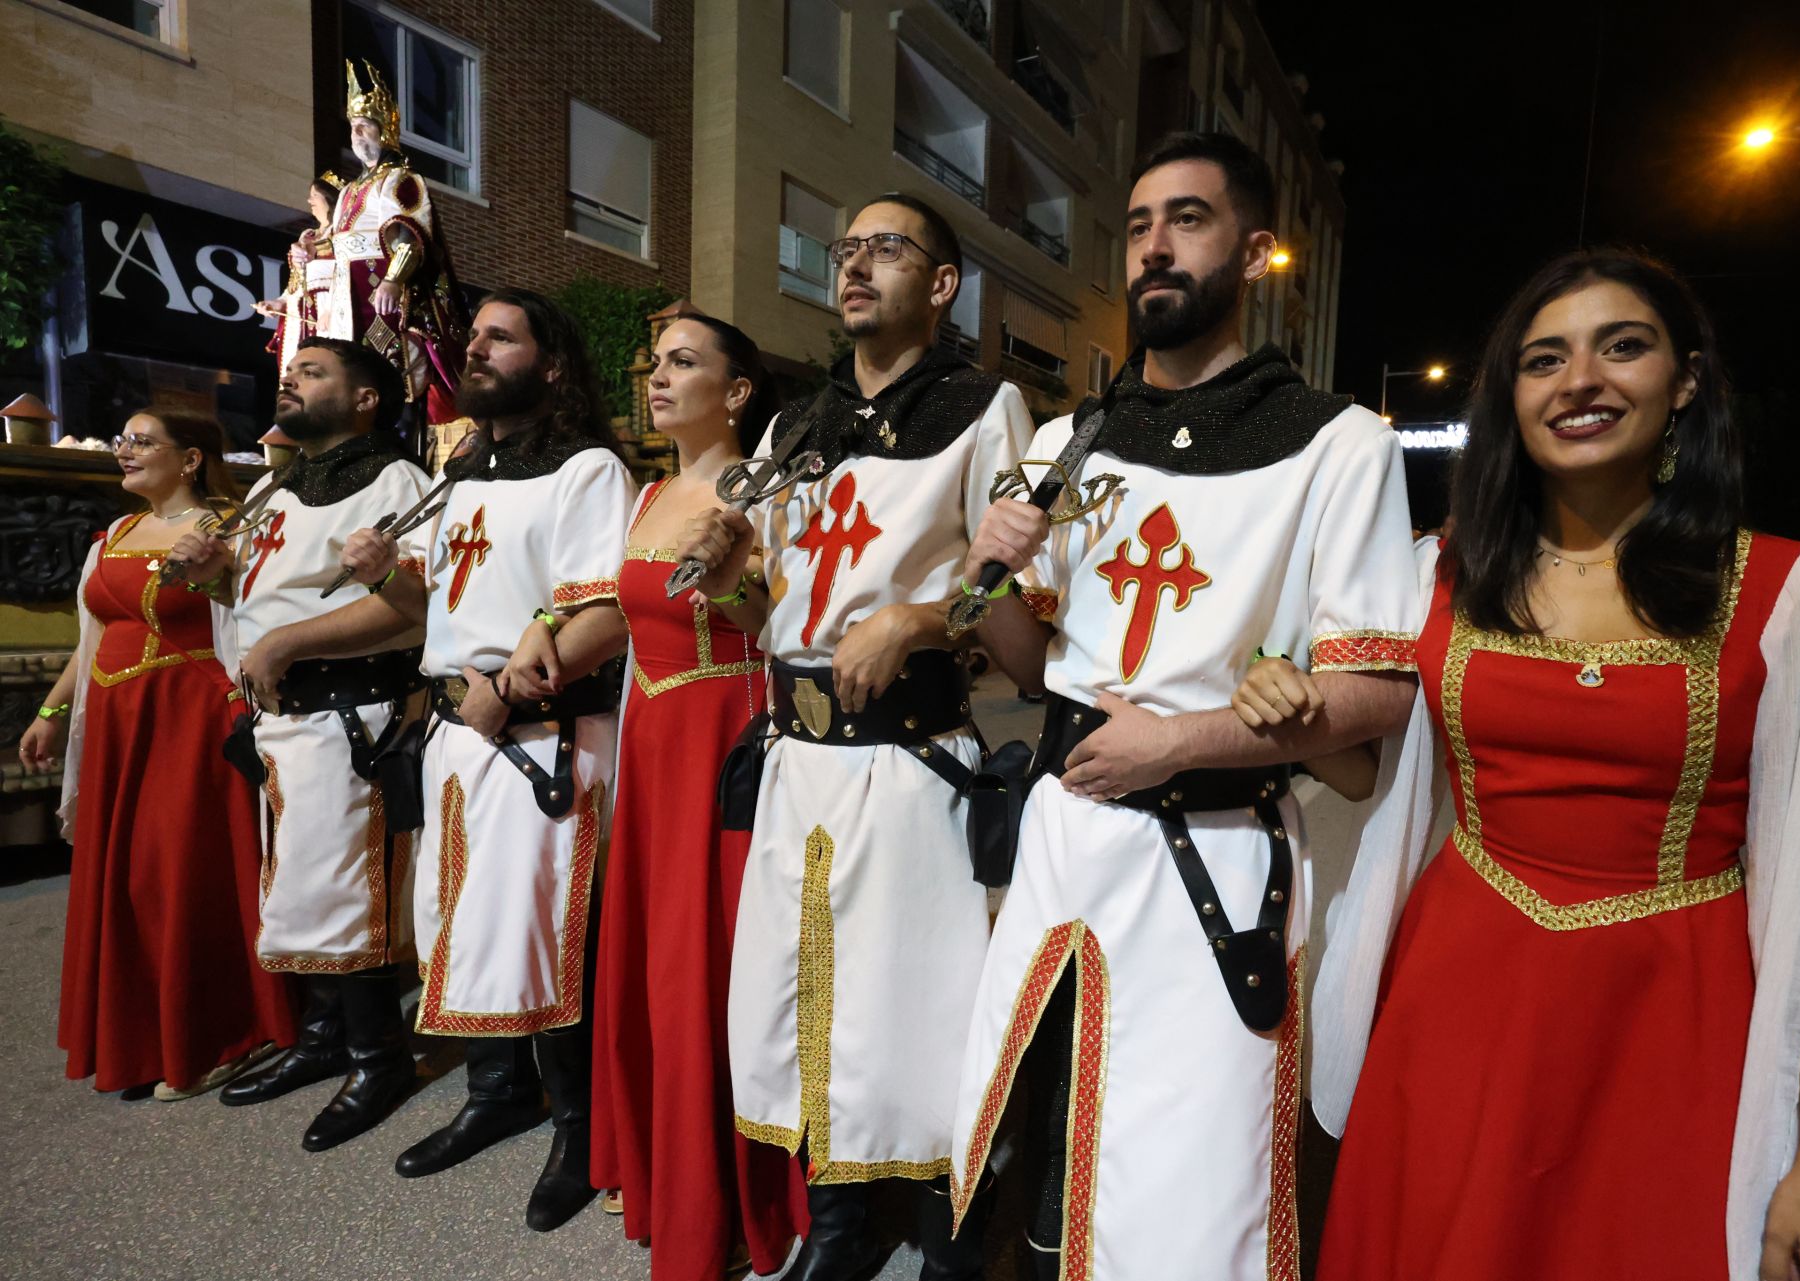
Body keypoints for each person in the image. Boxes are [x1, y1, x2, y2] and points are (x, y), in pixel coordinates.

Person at [1306, 248, 1800, 1281]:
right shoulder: (1439, 575)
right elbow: (1369, 779)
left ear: (1686, 380)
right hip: (1454, 994)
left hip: (1669, 1015)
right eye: (1544, 360)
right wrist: (1277, 698)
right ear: (1512, 397)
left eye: (1622, 347)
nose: (1580, 380)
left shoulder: (1793, 592)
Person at [950, 131, 1422, 1281]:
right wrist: (986, 576)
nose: (1155, 246)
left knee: (1186, 1173)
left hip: (1210, 845)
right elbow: (1030, 667)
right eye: (1139, 225)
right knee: (1045, 1113)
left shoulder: (1338, 444)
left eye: (1189, 219)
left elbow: (1377, 693)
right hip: (1065, 837)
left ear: (1256, 253)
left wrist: (1181, 741)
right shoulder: (1070, 440)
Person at [677, 193, 1035, 1281]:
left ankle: (949, 1237)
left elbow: (1011, 588)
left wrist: (919, 619)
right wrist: (731, 578)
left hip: (908, 758)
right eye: (847, 249)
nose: (856, 265)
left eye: (888, 248)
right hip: (797, 760)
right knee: (803, 996)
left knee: (915, 1010)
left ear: (941, 284)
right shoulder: (797, 426)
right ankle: (837, 1228)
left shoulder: (984, 407)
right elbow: (773, 611)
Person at [505, 313, 808, 1278]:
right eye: (655, 363)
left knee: (711, 968)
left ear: (738, 390)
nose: (658, 377)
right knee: (657, 962)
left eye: (684, 362)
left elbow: (786, 625)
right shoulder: (647, 495)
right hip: (652, 745)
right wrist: (545, 632)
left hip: (726, 739)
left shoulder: (767, 489)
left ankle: (725, 1195)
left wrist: (730, 584)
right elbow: (621, 612)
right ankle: (663, 1165)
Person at [336, 287, 637, 1231]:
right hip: (459, 736)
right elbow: (437, 609)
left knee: (546, 933)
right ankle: (498, 1093)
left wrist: (507, 690)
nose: (474, 349)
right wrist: (384, 575)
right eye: (472, 336)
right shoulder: (465, 470)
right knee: (461, 921)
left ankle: (581, 1130)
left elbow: (604, 613)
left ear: (552, 364)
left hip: (540, 739)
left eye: (500, 338)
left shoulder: (587, 468)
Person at [167, 338, 430, 1152]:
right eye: (293, 371)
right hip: (284, 720)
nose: (292, 380)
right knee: (299, 888)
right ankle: (323, 1039)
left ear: (365, 399)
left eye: (313, 373)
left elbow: (410, 608)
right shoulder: (276, 484)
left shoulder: (397, 482)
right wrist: (213, 574)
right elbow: (261, 596)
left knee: (346, 891)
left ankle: (378, 1056)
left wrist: (287, 644)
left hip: (351, 712)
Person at [19, 411, 296, 1099]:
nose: (126, 451)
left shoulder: (226, 528)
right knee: (128, 879)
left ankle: (222, 1032)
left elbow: (253, 619)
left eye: (143, 441)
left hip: (189, 720)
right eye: (123, 440)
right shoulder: (115, 533)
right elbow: (93, 636)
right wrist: (51, 711)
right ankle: (141, 1036)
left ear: (191, 458)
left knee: (182, 873)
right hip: (118, 727)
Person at [326, 60, 467, 434]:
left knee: (392, 378)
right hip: (346, 302)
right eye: (353, 127)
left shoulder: (400, 179)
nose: (357, 134)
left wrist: (393, 280)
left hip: (381, 297)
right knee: (350, 378)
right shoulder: (348, 191)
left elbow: (410, 235)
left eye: (365, 126)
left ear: (384, 129)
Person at [257, 179, 340, 382]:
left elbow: (345, 273)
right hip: (298, 311)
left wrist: (333, 308)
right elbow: (296, 281)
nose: (309, 200)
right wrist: (279, 302)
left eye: (314, 195)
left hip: (324, 307)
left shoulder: (341, 234)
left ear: (329, 199)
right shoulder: (309, 235)